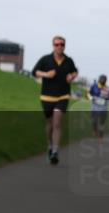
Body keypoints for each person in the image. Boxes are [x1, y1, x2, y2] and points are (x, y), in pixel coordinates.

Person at [31, 36, 78, 165]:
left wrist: (72, 76)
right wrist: (46, 74)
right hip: (47, 97)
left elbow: (75, 71)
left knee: (57, 123)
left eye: (62, 44)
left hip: (63, 96)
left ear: (64, 46)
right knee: (49, 124)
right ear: (53, 46)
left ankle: (55, 152)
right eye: (57, 44)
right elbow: (34, 72)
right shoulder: (45, 59)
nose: (59, 47)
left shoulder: (68, 61)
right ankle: (50, 146)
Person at [90, 74, 109, 141]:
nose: (102, 80)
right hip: (94, 109)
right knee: (94, 121)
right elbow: (88, 94)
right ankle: (95, 130)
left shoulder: (108, 89)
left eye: (104, 80)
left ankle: (101, 136)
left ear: (106, 81)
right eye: (101, 79)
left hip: (103, 110)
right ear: (99, 79)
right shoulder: (94, 86)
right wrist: (92, 98)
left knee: (101, 124)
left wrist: (104, 102)